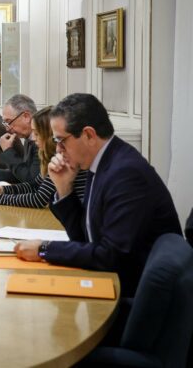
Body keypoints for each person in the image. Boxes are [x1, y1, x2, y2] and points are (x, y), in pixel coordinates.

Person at [13, 94, 182, 296]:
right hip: (112, 281)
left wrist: (45, 249)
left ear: (89, 135)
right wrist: (64, 189)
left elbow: (111, 255)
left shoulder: (125, 173)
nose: (57, 149)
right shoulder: (102, 163)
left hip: (130, 293)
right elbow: (85, 238)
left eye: (61, 140)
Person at [0, 106, 88, 208]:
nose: (33, 138)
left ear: (49, 135)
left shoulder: (64, 157)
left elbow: (39, 199)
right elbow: (34, 185)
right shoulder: (51, 155)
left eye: (37, 133)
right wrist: (3, 189)